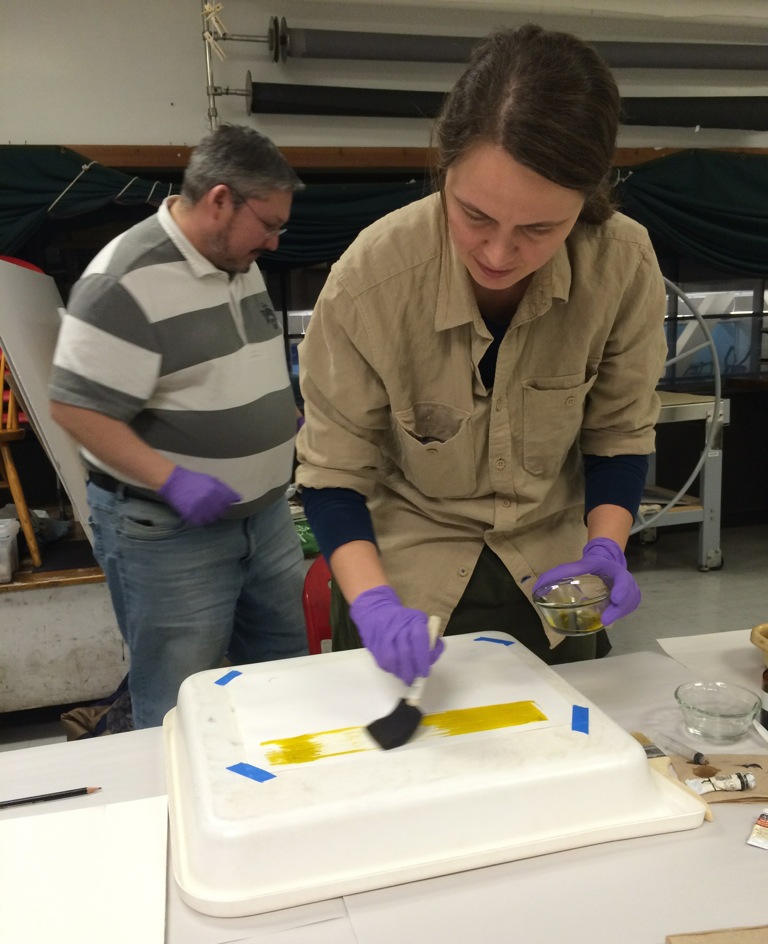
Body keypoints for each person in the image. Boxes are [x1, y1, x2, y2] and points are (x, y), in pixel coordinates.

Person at [294, 24, 668, 687]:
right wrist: (373, 604)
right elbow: (333, 473)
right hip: (405, 583)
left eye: (540, 228)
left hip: (555, 583)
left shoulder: (622, 263)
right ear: (444, 168)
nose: (498, 254)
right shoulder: (369, 282)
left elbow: (618, 432)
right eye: (474, 216)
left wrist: (607, 546)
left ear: (587, 199)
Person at [49, 125, 309, 729]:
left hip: (266, 518)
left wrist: (280, 415)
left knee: (287, 680)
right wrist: (173, 480)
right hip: (170, 532)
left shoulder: (237, 259)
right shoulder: (123, 281)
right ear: (220, 200)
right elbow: (75, 408)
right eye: (268, 224)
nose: (274, 241)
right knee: (178, 700)